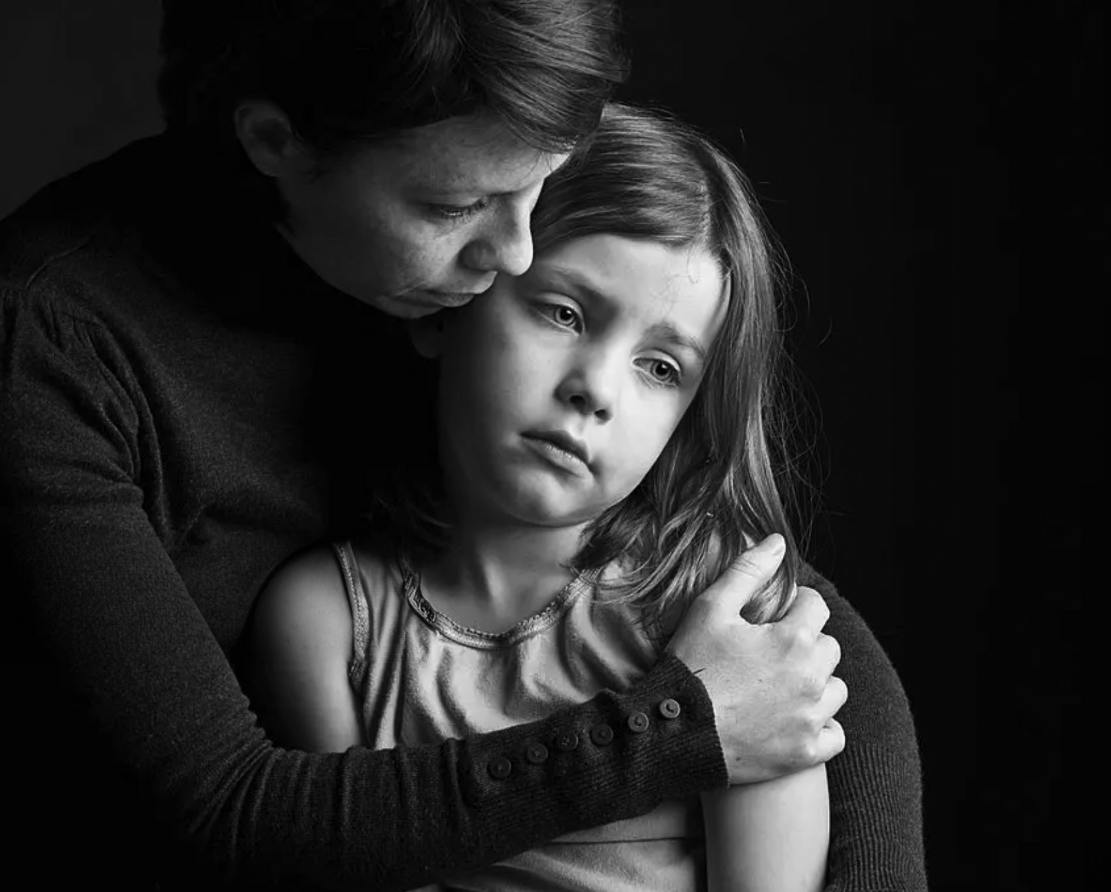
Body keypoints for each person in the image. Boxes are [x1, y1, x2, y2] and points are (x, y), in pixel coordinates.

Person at [0, 1, 924, 890]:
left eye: (536, 190)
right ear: (275, 141)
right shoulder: (51, 348)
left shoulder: (449, 270)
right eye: (463, 203)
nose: (515, 253)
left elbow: (800, 649)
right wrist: (675, 726)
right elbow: (233, 814)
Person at [245, 102, 832, 892]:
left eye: (660, 368)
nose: (594, 390)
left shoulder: (714, 616)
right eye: (563, 312)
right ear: (451, 304)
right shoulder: (327, 621)